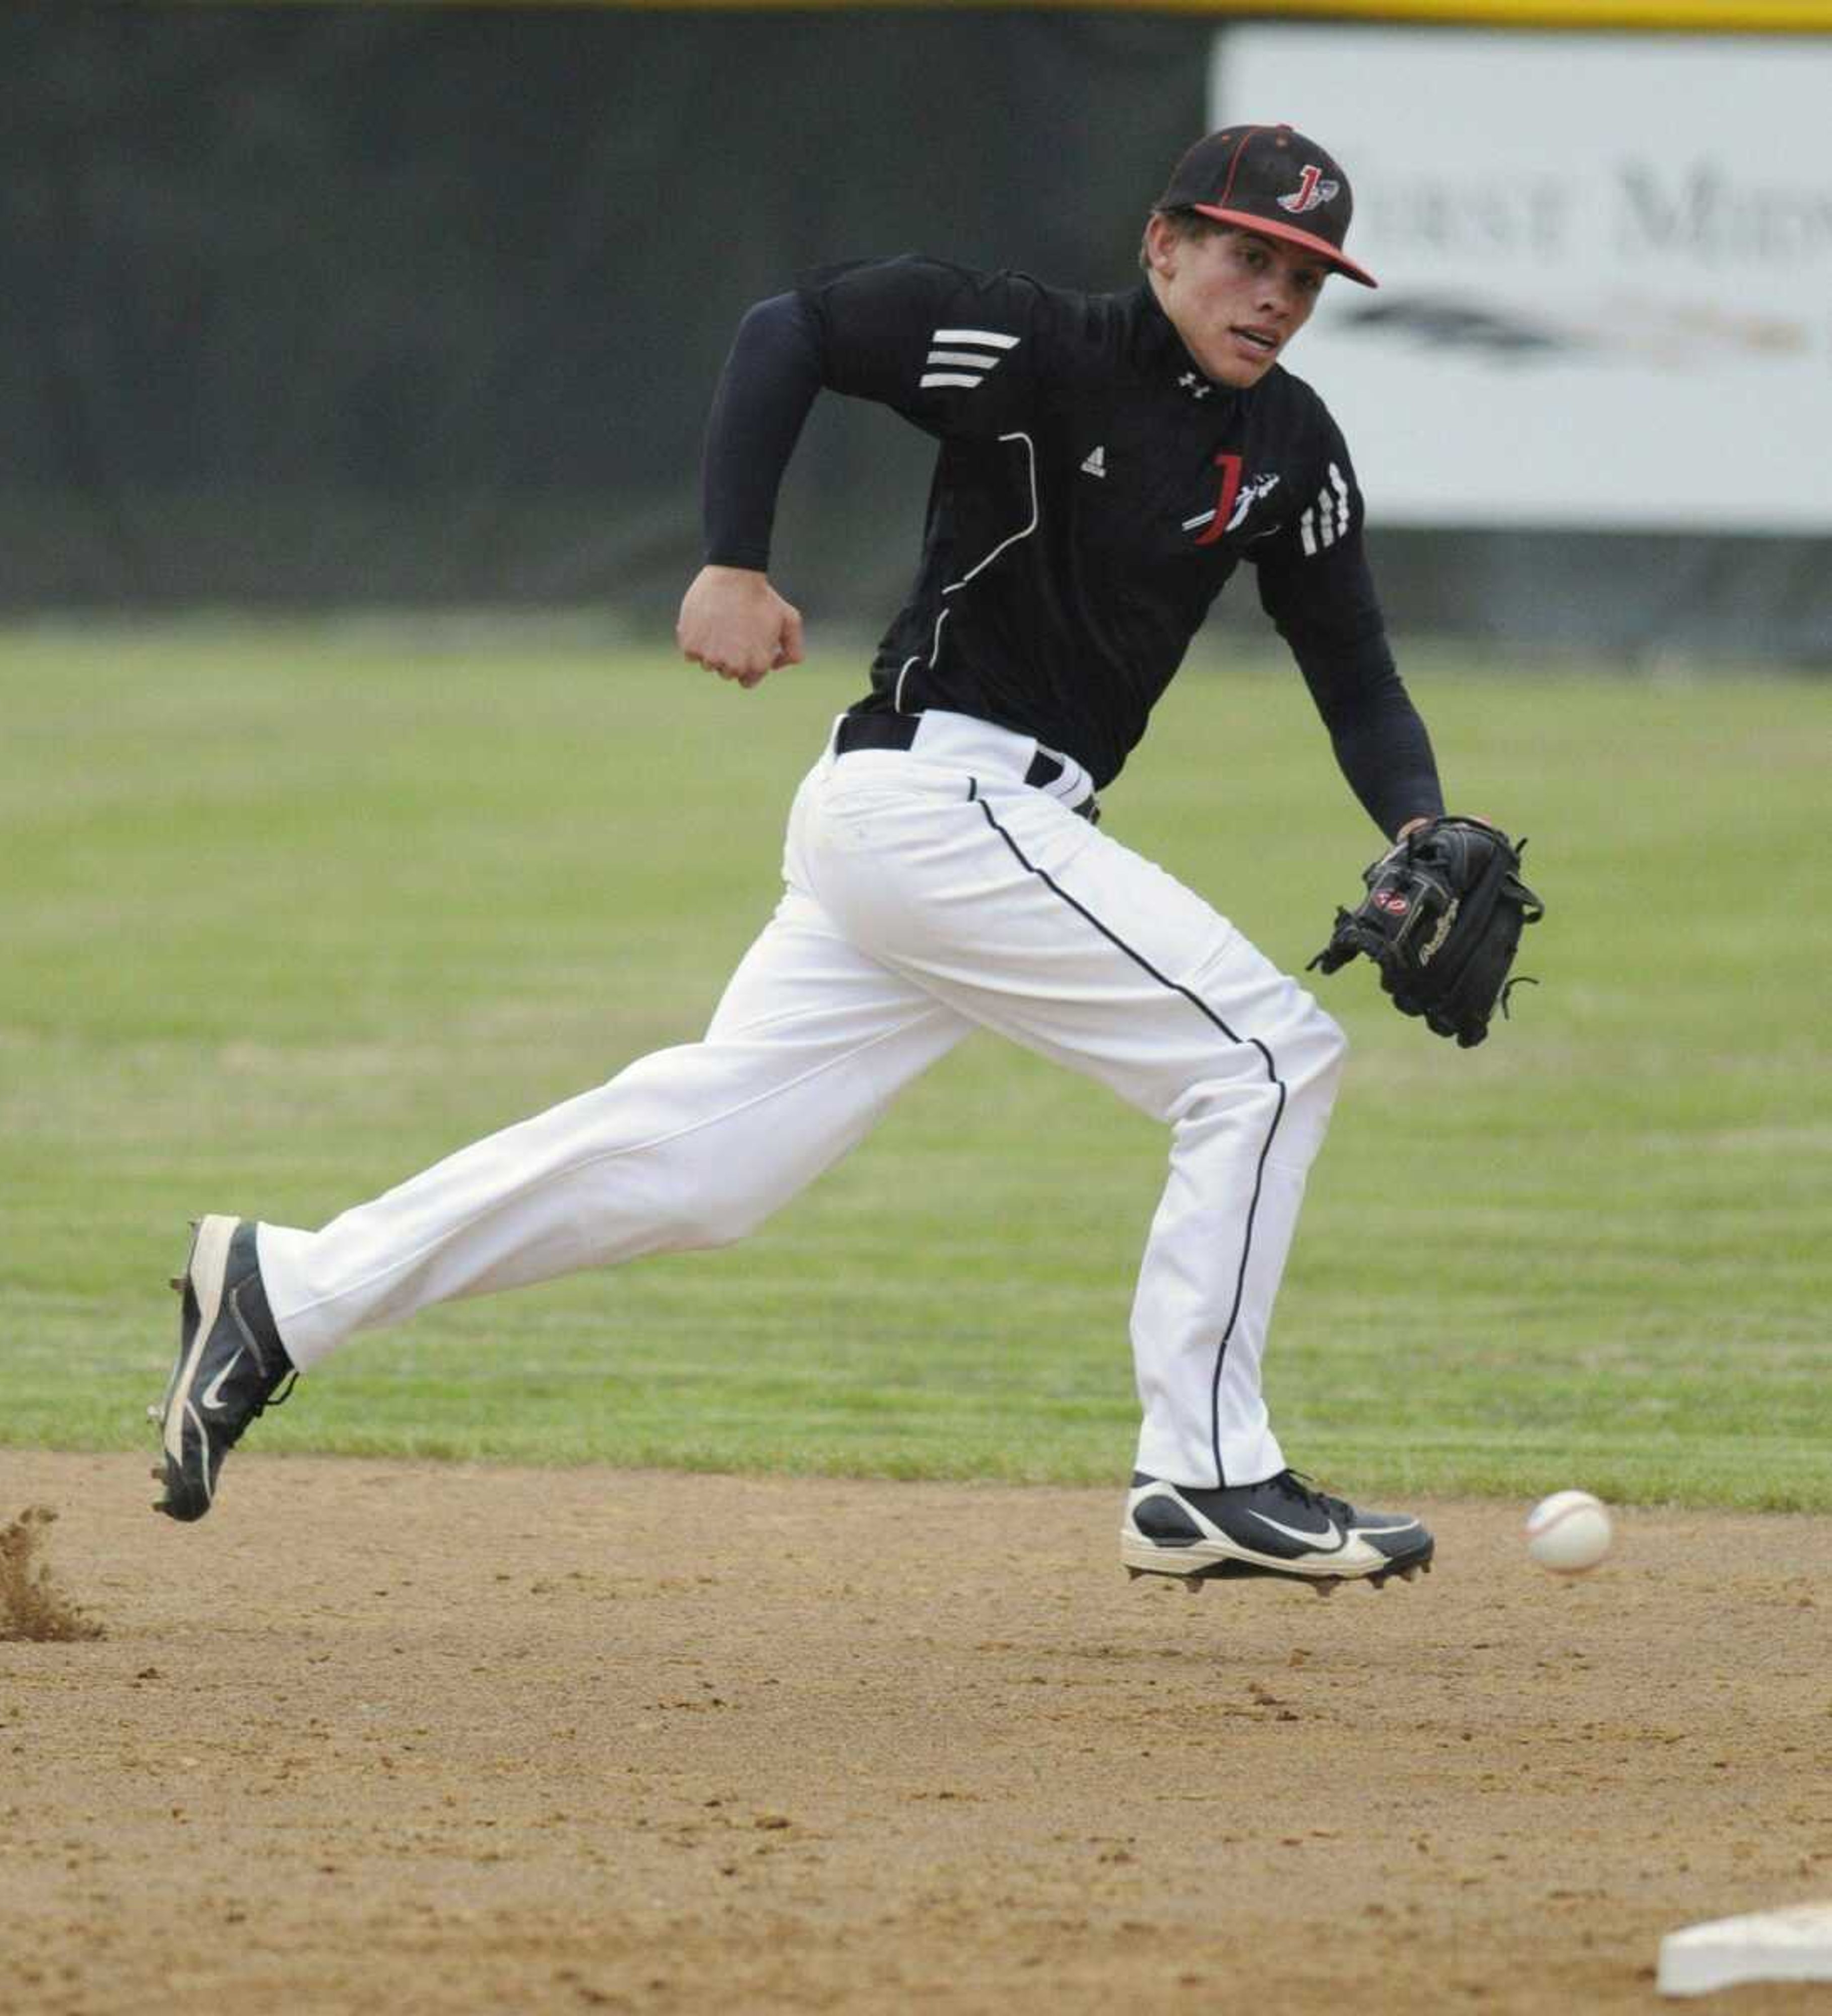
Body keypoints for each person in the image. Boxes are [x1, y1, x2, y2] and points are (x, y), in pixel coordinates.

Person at [154, 123, 1449, 1593]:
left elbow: (1350, 661)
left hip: (953, 834)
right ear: (1162, 246)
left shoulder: (1289, 447)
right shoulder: (1034, 346)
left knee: (712, 1170)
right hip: (935, 806)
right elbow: (800, 329)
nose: (1273, 294)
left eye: (1304, 274)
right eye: (1244, 254)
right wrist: (731, 557)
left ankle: (287, 1289)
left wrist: (1419, 823)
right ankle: (1206, 1472)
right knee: (1266, 1059)